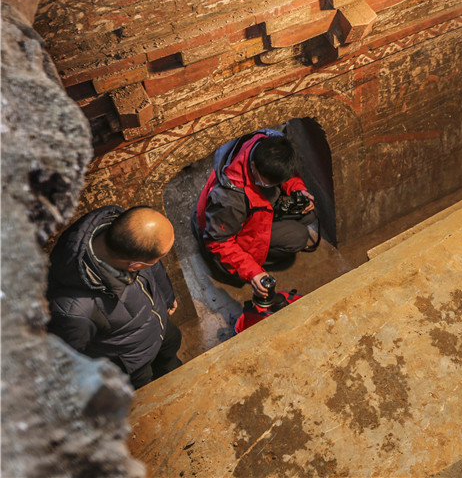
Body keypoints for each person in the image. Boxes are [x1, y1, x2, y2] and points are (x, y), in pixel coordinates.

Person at [47, 206, 181, 389]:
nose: (158, 262)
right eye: (160, 257)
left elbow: (154, 268)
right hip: (132, 362)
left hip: (157, 323)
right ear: (134, 266)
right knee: (149, 387)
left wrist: (166, 294)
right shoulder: (74, 311)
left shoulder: (125, 233)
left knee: (171, 347)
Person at [192, 129, 316, 299]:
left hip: (250, 212)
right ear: (252, 166)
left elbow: (289, 176)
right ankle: (243, 263)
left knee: (309, 215)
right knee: (298, 238)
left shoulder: (270, 144)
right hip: (222, 227)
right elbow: (218, 242)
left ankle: (261, 245)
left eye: (278, 182)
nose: (275, 185)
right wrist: (253, 272)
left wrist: (298, 190)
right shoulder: (229, 199)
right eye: (268, 183)